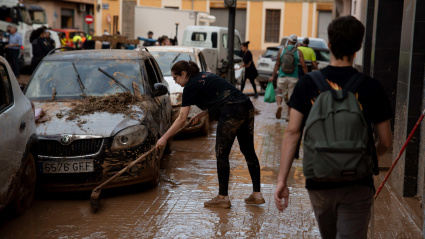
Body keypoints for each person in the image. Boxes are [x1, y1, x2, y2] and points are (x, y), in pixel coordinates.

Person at [274, 16, 393, 238]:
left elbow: (292, 133)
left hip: (319, 181)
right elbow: (386, 141)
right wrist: (364, 159)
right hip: (358, 181)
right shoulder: (371, 87)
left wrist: (282, 180)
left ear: (329, 45)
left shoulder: (307, 84)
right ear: (358, 47)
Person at [156, 60, 265, 208]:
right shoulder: (205, 75)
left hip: (231, 111)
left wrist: (164, 138)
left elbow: (181, 118)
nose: (176, 82)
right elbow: (221, 97)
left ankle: (223, 197)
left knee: (222, 154)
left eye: (175, 78)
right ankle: (257, 194)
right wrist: (200, 115)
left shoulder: (190, 86)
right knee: (248, 151)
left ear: (183, 74)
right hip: (246, 106)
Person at [269, 34, 308, 120]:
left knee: (279, 92)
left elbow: (277, 64)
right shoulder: (298, 52)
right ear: (295, 42)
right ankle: (288, 116)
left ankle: (279, 105)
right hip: (293, 78)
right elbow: (304, 65)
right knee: (291, 96)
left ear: (288, 40)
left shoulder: (282, 50)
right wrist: (307, 76)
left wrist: (272, 76)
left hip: (282, 77)